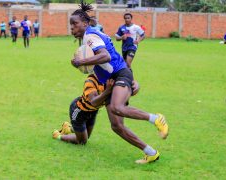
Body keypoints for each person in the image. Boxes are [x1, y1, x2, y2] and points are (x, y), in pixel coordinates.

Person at [70, 2, 168, 164]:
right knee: (116, 126)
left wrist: (82, 62)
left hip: (119, 75)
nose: (72, 28)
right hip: (113, 79)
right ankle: (151, 153)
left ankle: (156, 118)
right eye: (71, 25)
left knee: (117, 108)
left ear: (85, 23)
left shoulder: (90, 36)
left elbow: (106, 57)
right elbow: (113, 55)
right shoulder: (91, 35)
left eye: (75, 24)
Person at [52, 75, 115, 144]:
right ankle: (57, 135)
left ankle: (68, 128)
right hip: (79, 111)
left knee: (86, 136)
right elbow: (94, 102)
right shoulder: (91, 80)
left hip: (93, 111)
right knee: (82, 141)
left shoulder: (113, 80)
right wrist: (108, 91)